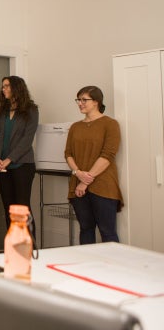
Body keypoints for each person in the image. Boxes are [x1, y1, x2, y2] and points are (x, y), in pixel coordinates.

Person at [65, 86, 123, 244]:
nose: (80, 103)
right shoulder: (75, 127)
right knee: (86, 228)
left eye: (84, 100)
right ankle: (86, 268)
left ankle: (112, 268)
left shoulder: (110, 124)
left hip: (103, 185)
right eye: (78, 100)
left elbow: (108, 155)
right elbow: (68, 153)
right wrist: (77, 173)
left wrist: (85, 181)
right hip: (78, 185)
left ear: (96, 102)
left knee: (107, 231)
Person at [0, 76, 39, 231]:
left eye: (7, 86)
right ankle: (12, 245)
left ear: (17, 88)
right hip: (2, 167)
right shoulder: (2, 110)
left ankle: (30, 247)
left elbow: (27, 139)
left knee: (22, 208)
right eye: (3, 86)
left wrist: (9, 159)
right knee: (8, 208)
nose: (3, 89)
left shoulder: (31, 109)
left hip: (22, 165)